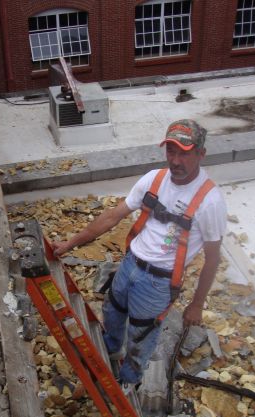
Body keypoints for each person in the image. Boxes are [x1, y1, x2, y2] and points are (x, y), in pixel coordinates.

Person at [51, 119, 227, 385]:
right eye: (171, 151)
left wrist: (197, 304)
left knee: (140, 337)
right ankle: (110, 349)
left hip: (158, 281)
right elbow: (112, 217)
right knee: (113, 310)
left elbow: (213, 259)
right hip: (130, 264)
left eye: (184, 153)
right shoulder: (154, 179)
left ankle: (129, 381)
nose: (175, 160)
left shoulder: (210, 201)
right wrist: (69, 244)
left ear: (201, 154)